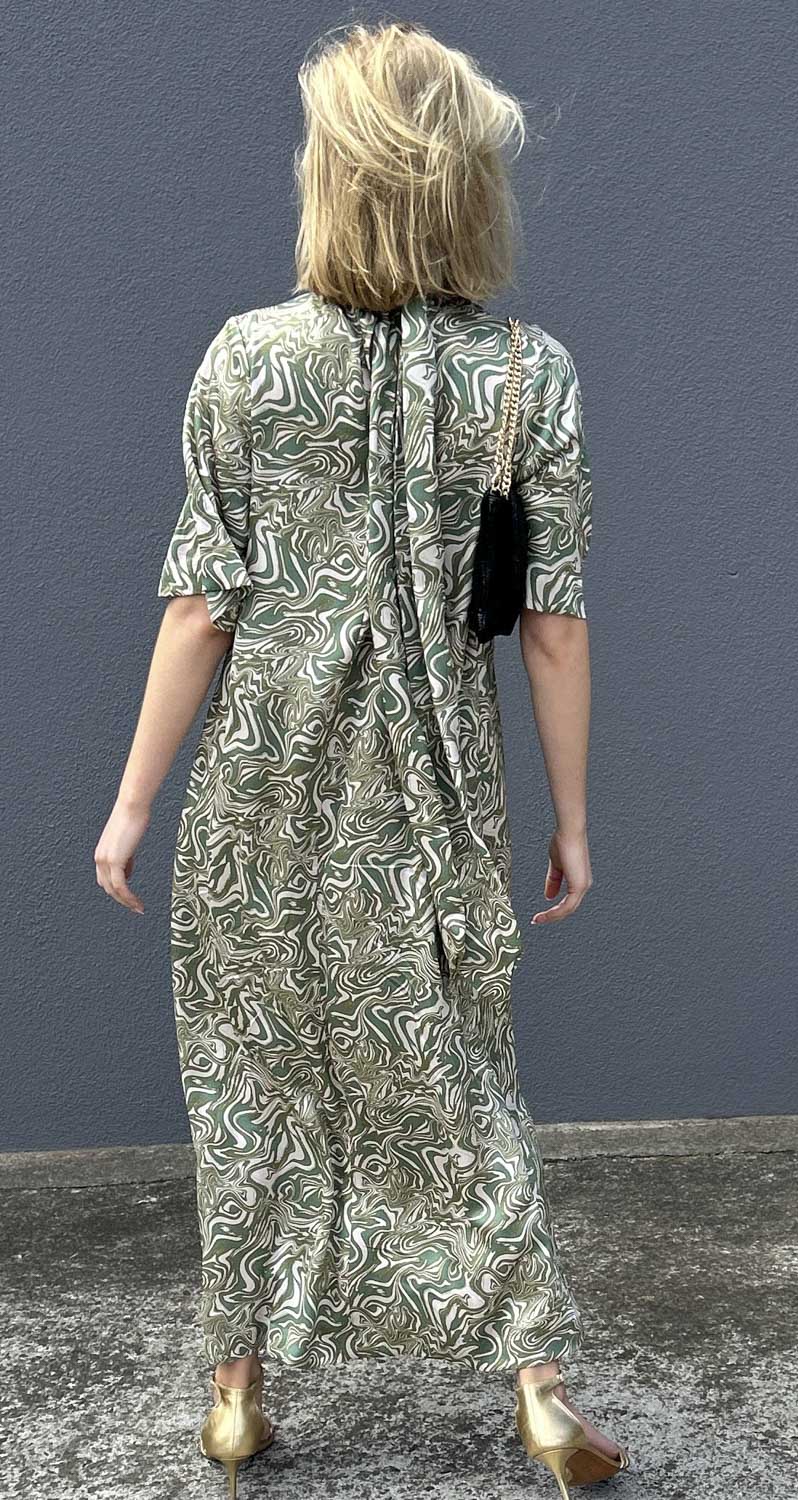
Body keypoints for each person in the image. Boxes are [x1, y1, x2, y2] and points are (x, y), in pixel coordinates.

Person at [94, 20, 629, 1499]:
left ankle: (235, 1397)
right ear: (469, 187)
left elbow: (200, 606)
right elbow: (552, 626)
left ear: (332, 177)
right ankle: (540, 1396)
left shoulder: (246, 362)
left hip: (261, 792)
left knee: (251, 1071)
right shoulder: (526, 375)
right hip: (437, 800)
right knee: (461, 1072)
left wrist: (130, 808)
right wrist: (573, 820)